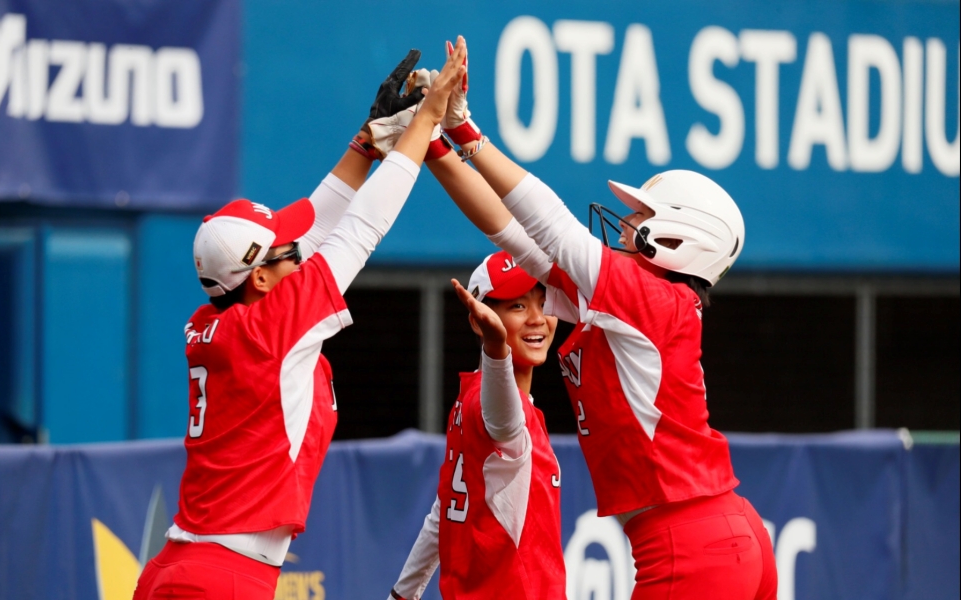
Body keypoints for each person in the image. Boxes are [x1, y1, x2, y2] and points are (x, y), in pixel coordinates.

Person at [421, 42, 777, 600]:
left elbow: (555, 228)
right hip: (718, 530)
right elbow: (512, 235)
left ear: (683, 239)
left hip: (688, 540)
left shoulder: (651, 299)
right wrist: (428, 146)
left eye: (641, 217)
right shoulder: (640, 305)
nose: (627, 222)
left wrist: (467, 133)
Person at [132, 39, 468, 599]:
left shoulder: (219, 313)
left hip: (180, 567)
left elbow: (314, 220)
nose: (299, 252)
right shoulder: (271, 327)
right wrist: (426, 120)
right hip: (224, 578)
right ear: (260, 277)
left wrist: (367, 140)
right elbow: (362, 226)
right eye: (283, 253)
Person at [388, 251, 566, 600]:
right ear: (479, 320)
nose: (537, 318)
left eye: (544, 303)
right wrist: (495, 348)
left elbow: (444, 510)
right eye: (517, 306)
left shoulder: (467, 398)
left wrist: (402, 593)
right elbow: (504, 424)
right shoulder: (494, 407)